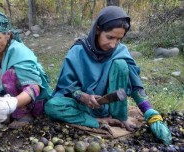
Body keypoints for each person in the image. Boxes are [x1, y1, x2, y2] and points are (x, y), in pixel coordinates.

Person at [44, 6, 172, 144]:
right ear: (97, 30)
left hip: (108, 107)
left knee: (121, 65)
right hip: (83, 106)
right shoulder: (78, 51)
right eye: (110, 37)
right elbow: (66, 87)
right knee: (52, 106)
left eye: (118, 39)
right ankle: (97, 121)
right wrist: (83, 96)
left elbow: (136, 85)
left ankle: (119, 117)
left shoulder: (120, 51)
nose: (113, 45)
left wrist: (149, 112)